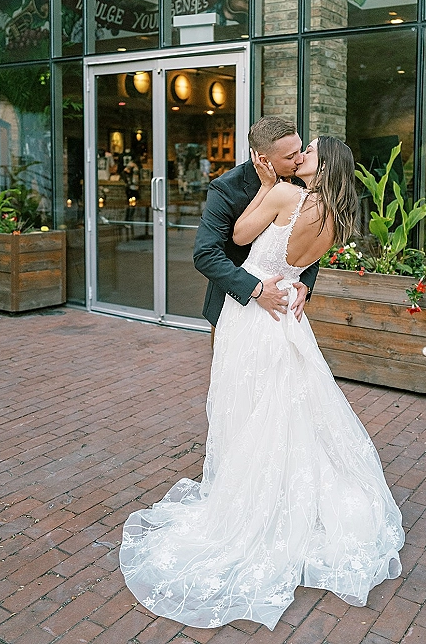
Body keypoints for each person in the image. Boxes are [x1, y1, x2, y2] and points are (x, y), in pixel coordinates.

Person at [119, 136, 404, 631]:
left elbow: (243, 234)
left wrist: (269, 186)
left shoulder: (285, 195)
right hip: (286, 314)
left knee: (248, 403)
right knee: (288, 405)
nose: (302, 157)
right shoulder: (333, 213)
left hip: (254, 316)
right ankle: (287, 489)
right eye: (298, 150)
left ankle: (252, 498)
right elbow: (297, 261)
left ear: (321, 164)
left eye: (309, 151)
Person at [193, 116, 318, 328]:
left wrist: (306, 283)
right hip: (232, 306)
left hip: (283, 311)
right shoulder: (225, 189)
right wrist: (257, 289)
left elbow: (311, 237)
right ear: (263, 160)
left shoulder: (301, 178)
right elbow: (206, 255)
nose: (299, 160)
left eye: (300, 150)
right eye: (290, 156)